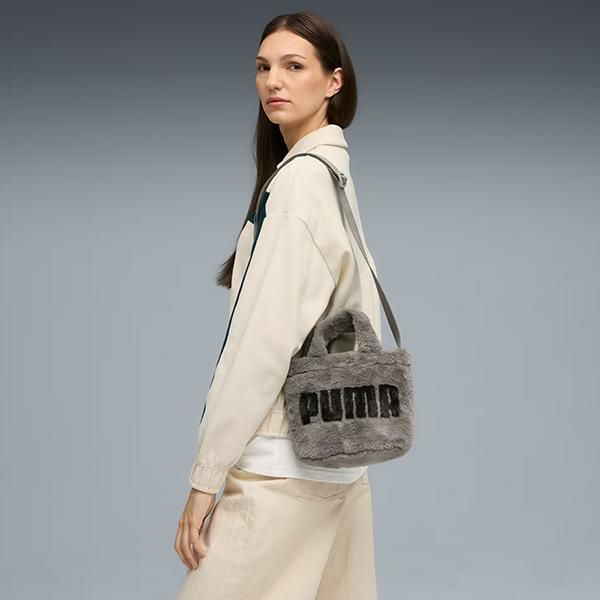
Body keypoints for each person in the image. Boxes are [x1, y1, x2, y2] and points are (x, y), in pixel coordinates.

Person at [174, 11, 382, 600]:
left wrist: (205, 478)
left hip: (281, 466)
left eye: (294, 66)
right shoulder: (334, 175)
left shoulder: (299, 186)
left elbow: (262, 345)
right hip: (341, 459)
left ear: (334, 81)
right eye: (264, 67)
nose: (273, 81)